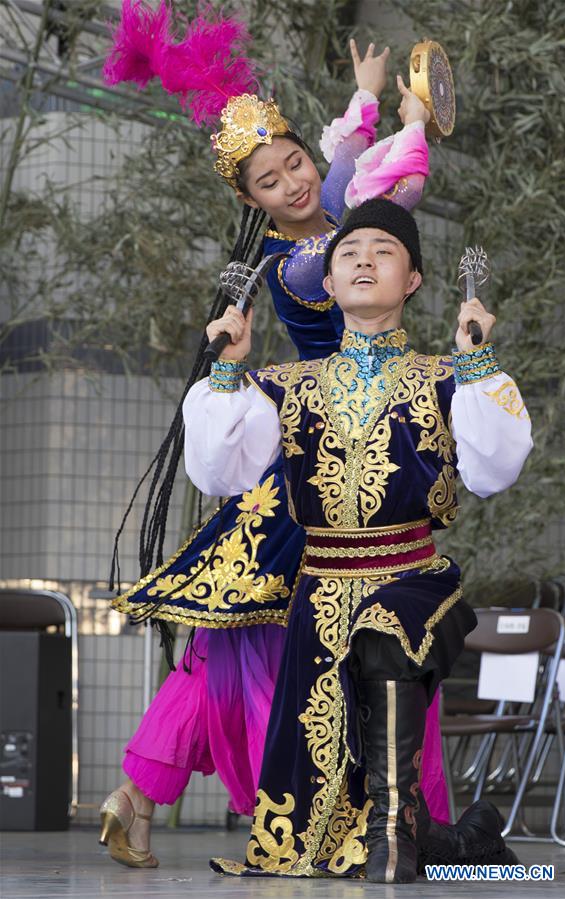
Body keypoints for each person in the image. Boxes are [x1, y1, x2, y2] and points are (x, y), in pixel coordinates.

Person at [99, 1, 441, 869]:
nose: (291, 183)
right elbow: (364, 193)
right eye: (269, 182)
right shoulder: (304, 262)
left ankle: (138, 793)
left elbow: (353, 188)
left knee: (224, 645)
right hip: (322, 470)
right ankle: (352, 817)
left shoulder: (330, 233)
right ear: (250, 203)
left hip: (327, 455)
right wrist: (389, 118)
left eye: (293, 164)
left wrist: (367, 113)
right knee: (332, 635)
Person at [182, 197, 533, 882]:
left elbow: (496, 467)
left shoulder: (443, 376)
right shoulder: (282, 384)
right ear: (329, 282)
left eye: (383, 251)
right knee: (315, 751)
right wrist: (225, 364)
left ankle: (397, 838)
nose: (363, 260)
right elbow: (214, 469)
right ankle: (454, 844)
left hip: (413, 578)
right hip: (317, 590)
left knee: (383, 637)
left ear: (412, 282)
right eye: (348, 253)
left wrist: (476, 358)